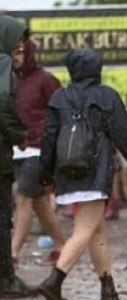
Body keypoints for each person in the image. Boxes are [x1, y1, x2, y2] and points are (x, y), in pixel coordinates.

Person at [34, 48, 127, 300]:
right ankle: (54, 281)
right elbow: (124, 137)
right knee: (84, 230)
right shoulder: (106, 96)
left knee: (96, 227)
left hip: (66, 172)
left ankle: (107, 286)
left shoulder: (59, 97)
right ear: (97, 67)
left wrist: (44, 175)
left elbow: (49, 139)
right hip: (95, 172)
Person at [10, 35, 66, 265]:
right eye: (13, 53)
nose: (16, 58)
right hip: (16, 149)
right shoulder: (11, 80)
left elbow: (60, 112)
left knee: (23, 198)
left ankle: (11, 254)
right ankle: (62, 247)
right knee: (40, 203)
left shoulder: (45, 80)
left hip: (38, 149)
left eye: (20, 52)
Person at [0, 15, 31, 297]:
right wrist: (19, 135)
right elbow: (2, 103)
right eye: (18, 38)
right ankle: (6, 281)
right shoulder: (2, 64)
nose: (21, 44)